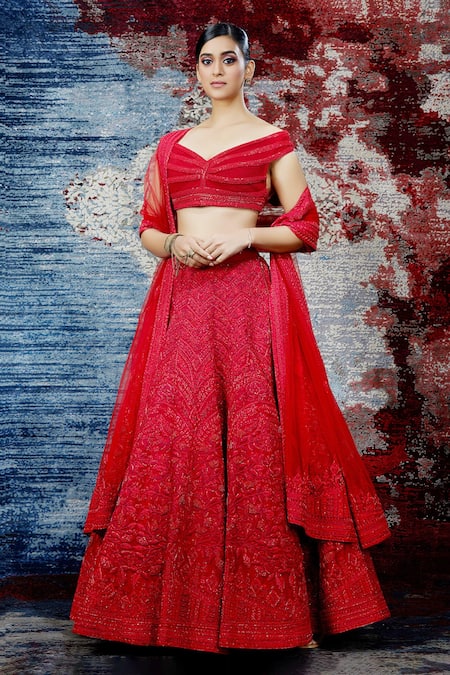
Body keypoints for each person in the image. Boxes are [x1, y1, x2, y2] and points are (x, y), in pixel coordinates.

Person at [70, 21, 390, 654]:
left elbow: (305, 228)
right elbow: (149, 228)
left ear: (249, 69)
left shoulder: (273, 141)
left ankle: (280, 616)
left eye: (229, 60)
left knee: (255, 440)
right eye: (207, 61)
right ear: (195, 70)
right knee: (173, 436)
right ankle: (160, 615)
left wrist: (247, 235)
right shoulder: (171, 147)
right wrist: (174, 244)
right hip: (184, 303)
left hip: (247, 304)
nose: (217, 71)